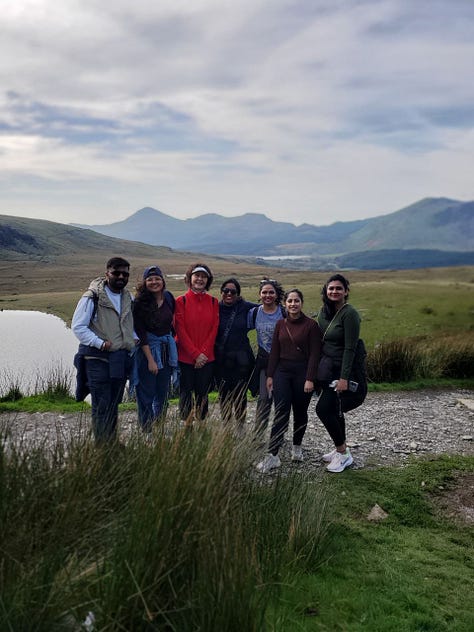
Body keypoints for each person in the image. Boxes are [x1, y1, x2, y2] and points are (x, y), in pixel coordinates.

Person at [256, 289, 321, 473]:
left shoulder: (311, 325)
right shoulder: (280, 324)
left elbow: (315, 355)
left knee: (300, 412)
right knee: (281, 412)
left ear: (302, 303)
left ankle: (297, 446)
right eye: (290, 301)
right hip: (282, 372)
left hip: (303, 373)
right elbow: (274, 352)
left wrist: (310, 378)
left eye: (296, 301)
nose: (293, 304)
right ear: (285, 304)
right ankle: (272, 455)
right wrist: (270, 376)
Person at [72, 257, 135, 444]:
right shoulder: (92, 296)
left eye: (125, 273)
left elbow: (128, 323)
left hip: (119, 358)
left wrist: (133, 337)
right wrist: (99, 343)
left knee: (114, 402)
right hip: (96, 358)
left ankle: (112, 442)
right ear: (107, 272)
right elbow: (78, 327)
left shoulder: (128, 297)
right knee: (101, 403)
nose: (121, 277)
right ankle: (102, 447)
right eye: (117, 273)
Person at [315, 273, 366, 473]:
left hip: (342, 370)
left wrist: (344, 378)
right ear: (326, 291)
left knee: (323, 409)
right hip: (327, 369)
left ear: (346, 291)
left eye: (338, 288)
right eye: (331, 288)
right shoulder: (324, 312)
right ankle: (340, 449)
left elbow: (350, 348)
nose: (334, 291)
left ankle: (344, 454)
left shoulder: (350, 314)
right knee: (335, 410)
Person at [132, 265, 178, 433]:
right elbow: (140, 332)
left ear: (163, 280)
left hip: (166, 350)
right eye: (150, 279)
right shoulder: (139, 303)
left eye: (157, 278)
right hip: (147, 353)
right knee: (146, 394)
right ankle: (146, 430)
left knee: (163, 393)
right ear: (144, 282)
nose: (154, 282)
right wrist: (150, 360)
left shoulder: (168, 297)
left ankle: (159, 426)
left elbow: (171, 324)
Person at [174, 263, 219, 424]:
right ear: (190, 278)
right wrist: (195, 354)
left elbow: (214, 329)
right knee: (185, 392)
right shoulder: (181, 301)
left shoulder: (214, 302)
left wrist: (203, 354)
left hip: (207, 358)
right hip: (186, 357)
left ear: (208, 280)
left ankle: (201, 424)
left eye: (204, 276)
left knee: (202, 393)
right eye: (197, 276)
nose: (200, 279)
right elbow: (180, 330)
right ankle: (186, 426)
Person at [214, 278, 257, 428]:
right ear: (221, 292)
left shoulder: (245, 307)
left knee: (240, 394)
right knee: (223, 394)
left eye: (233, 291)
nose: (229, 294)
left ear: (238, 294)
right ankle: (226, 425)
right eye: (226, 290)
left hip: (241, 360)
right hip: (221, 359)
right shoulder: (215, 307)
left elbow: (267, 309)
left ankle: (240, 426)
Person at [247, 278, 285, 437]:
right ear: (259, 294)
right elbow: (242, 331)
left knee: (282, 400)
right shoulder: (254, 312)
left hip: (284, 361)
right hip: (264, 362)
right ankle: (258, 435)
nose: (267, 295)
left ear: (276, 295)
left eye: (271, 292)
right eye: (264, 292)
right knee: (264, 399)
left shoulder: (284, 312)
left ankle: (278, 436)